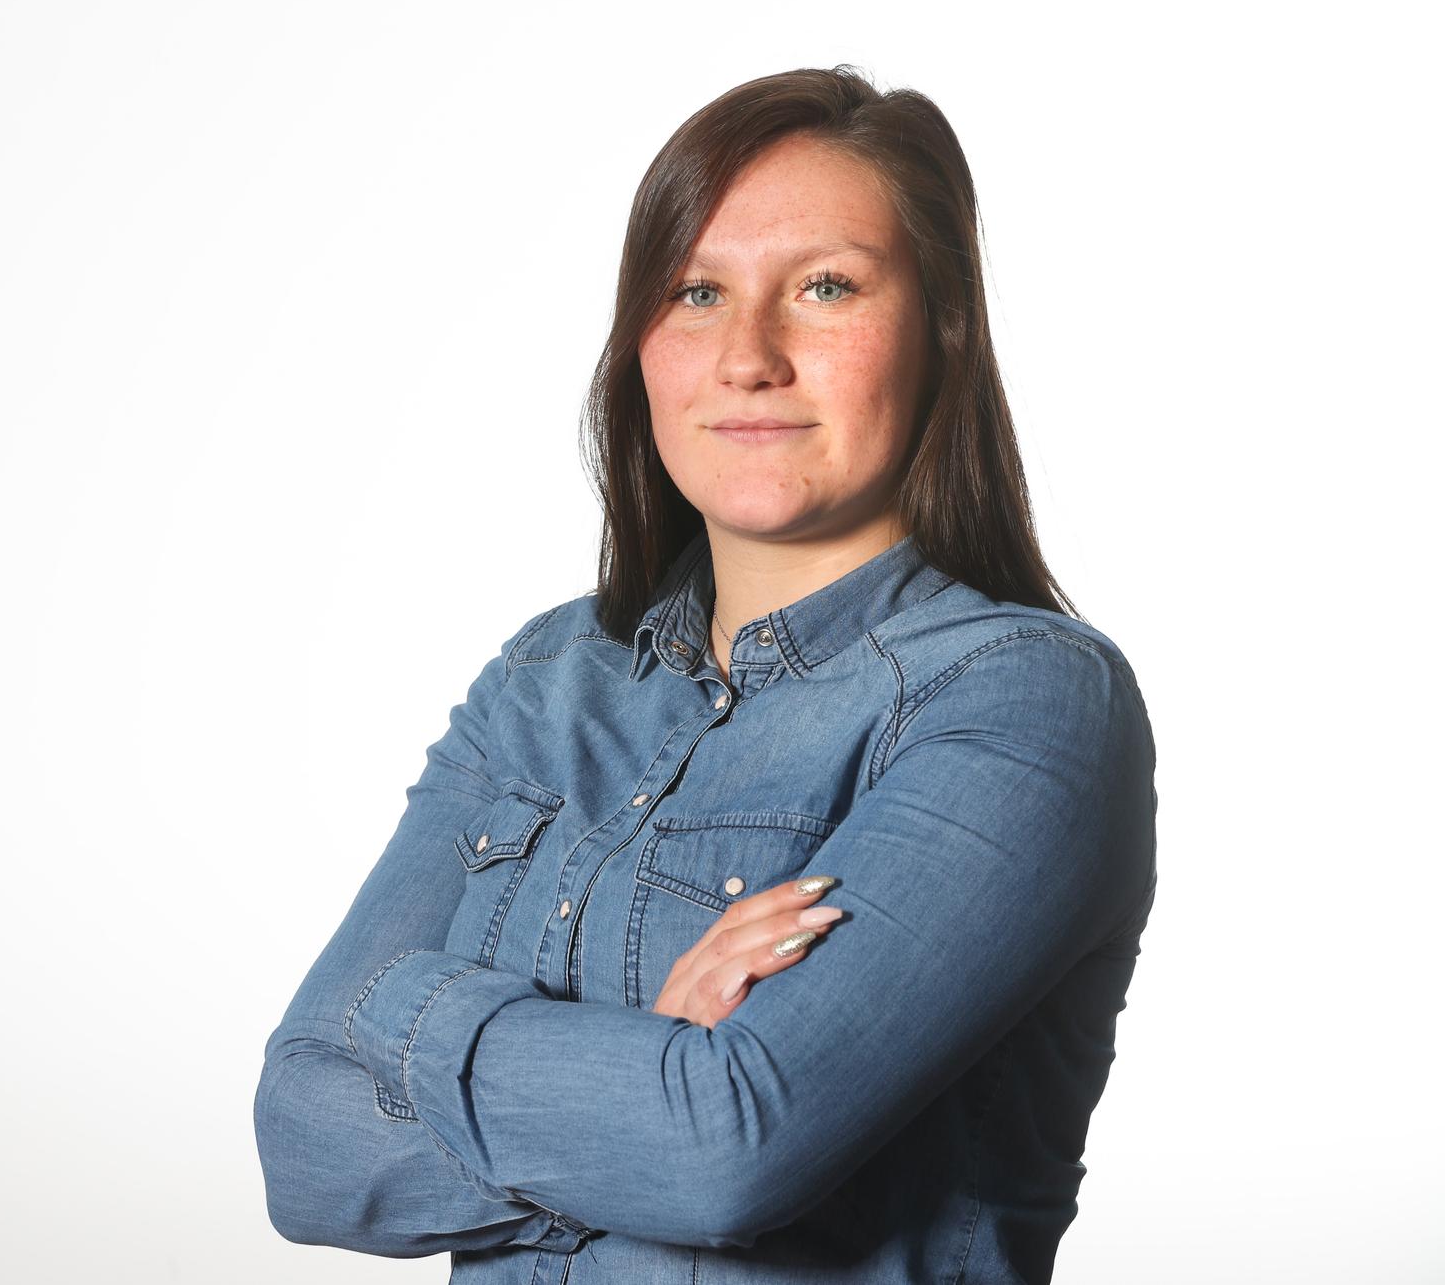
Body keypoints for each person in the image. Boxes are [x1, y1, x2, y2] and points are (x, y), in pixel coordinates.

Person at [252, 64, 1158, 1284]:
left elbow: (719, 1150)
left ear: (941, 332)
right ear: (640, 346)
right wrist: (643, 1057)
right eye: (697, 291)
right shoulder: (546, 679)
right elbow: (301, 1143)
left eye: (826, 287)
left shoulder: (1025, 699)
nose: (749, 355)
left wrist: (415, 1017)